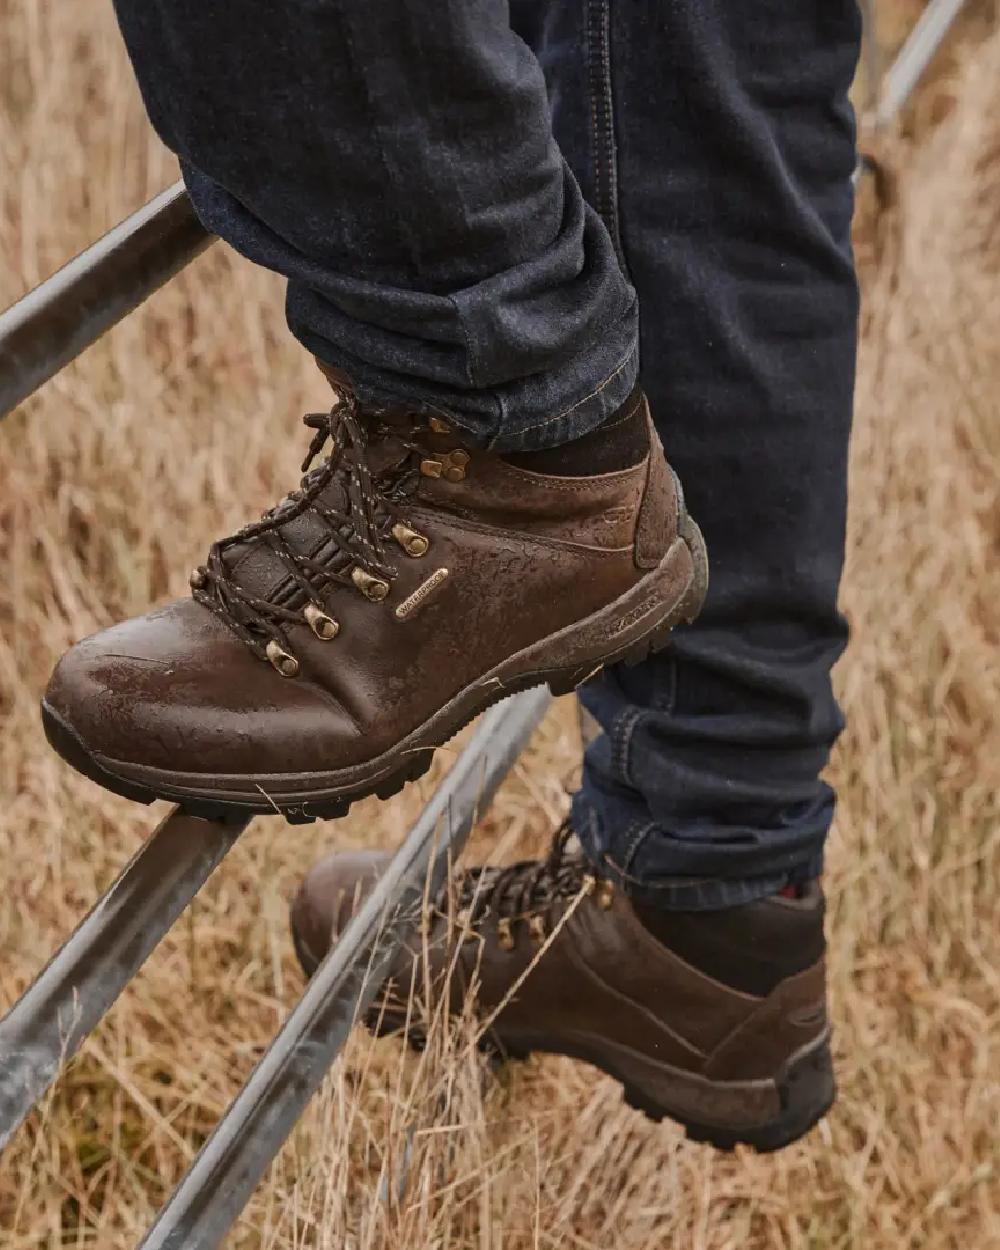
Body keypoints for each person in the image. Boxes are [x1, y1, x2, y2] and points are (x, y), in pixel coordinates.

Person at [42, 0, 861, 1150]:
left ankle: (506, 445)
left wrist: (491, 369)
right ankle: (716, 909)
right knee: (694, 74)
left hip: (508, 385)